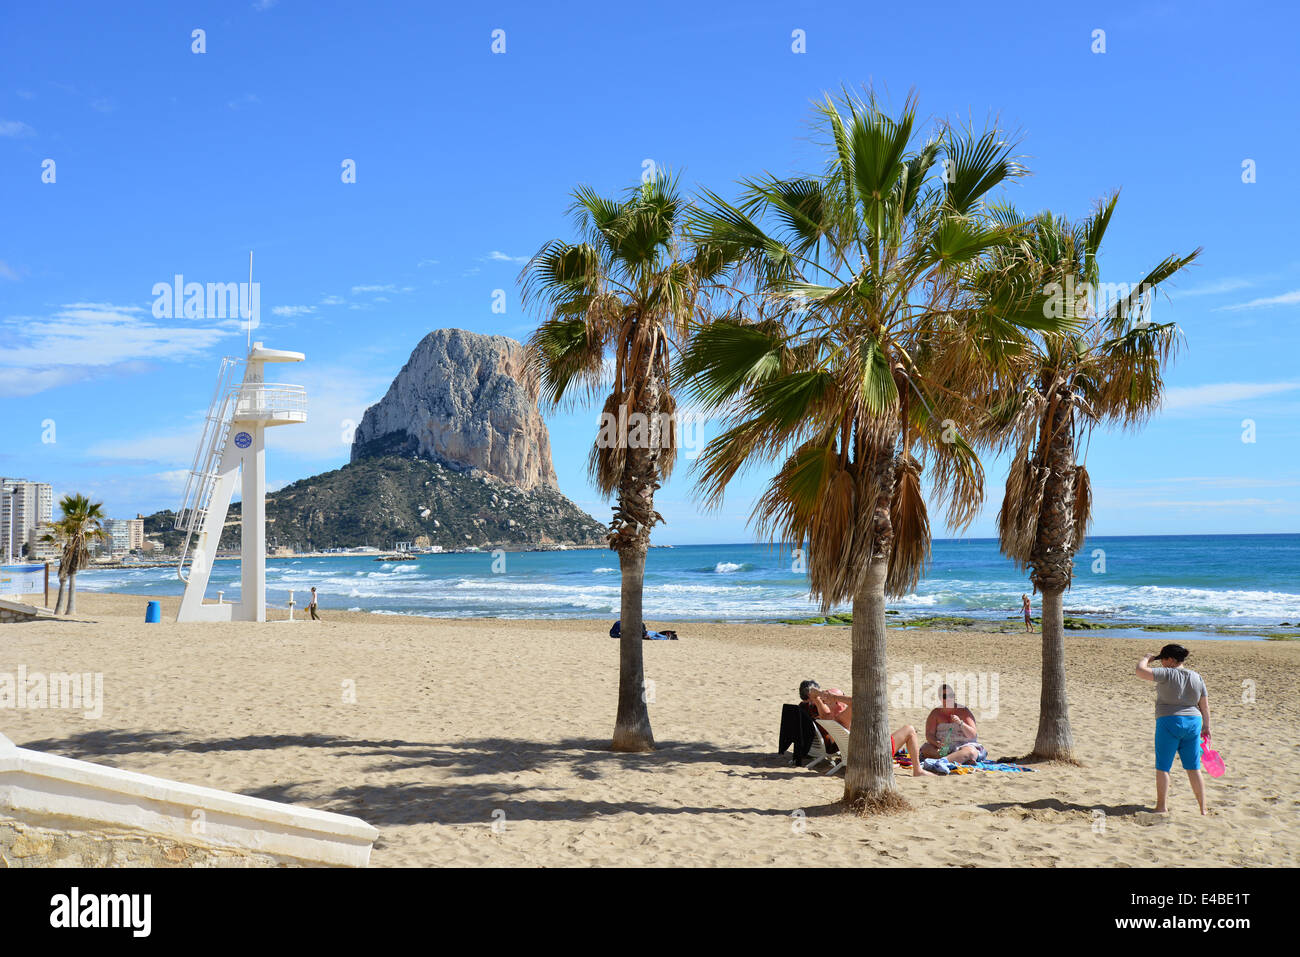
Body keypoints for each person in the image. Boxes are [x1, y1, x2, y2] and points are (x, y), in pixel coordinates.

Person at [1136, 643, 1210, 815]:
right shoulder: (1197, 677)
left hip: (1169, 721)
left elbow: (1140, 671)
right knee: (1193, 767)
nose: (1161, 663)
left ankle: (1161, 806)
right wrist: (1207, 727)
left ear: (1170, 660)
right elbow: (1204, 706)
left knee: (1163, 766)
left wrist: (1147, 658)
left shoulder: (1167, 673)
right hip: (1194, 722)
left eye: (1163, 660)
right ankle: (1203, 808)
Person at [804, 685, 934, 776]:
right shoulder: (842, 717)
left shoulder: (826, 715)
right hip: (871, 755)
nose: (844, 698)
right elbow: (858, 702)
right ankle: (918, 770)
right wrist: (835, 697)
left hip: (855, 753)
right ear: (838, 703)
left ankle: (890, 764)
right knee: (909, 730)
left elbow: (812, 694)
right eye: (843, 696)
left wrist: (821, 695)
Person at [920, 684, 987, 765]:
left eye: (950, 695)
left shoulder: (963, 711)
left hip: (963, 745)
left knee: (970, 751)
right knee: (925, 748)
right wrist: (936, 743)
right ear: (940, 698)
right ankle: (956, 759)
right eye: (945, 696)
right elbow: (929, 734)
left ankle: (943, 761)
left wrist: (960, 723)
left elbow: (972, 735)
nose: (948, 699)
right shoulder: (935, 713)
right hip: (943, 748)